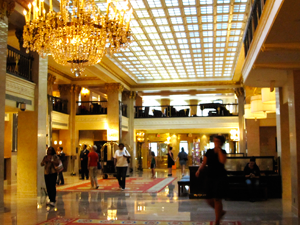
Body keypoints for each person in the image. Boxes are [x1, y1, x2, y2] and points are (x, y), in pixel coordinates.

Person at [195, 135, 227, 225]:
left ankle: (217, 220)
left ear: (221, 142)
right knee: (208, 198)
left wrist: (219, 150)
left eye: (217, 141)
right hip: (210, 176)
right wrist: (199, 170)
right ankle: (221, 212)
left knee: (217, 198)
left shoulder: (223, 151)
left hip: (220, 177)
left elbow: (222, 161)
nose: (215, 142)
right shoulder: (209, 152)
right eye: (214, 141)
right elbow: (204, 163)